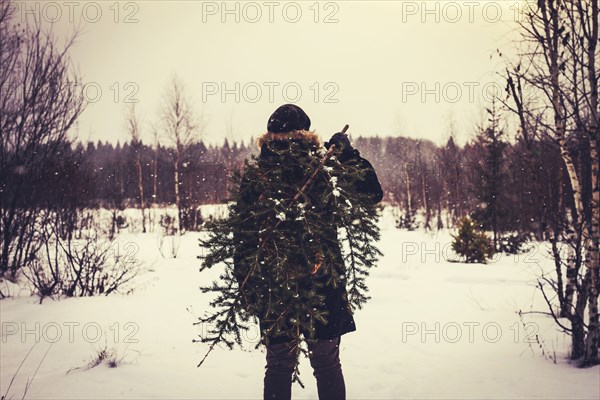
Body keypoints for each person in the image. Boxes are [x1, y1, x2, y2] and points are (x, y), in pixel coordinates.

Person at [233, 104, 383, 400]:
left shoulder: (263, 174)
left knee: (279, 365)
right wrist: (347, 155)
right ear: (307, 135)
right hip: (319, 282)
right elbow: (371, 193)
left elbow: (243, 237)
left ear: (269, 136)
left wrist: (247, 284)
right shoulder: (319, 167)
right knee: (325, 363)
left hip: (275, 284)